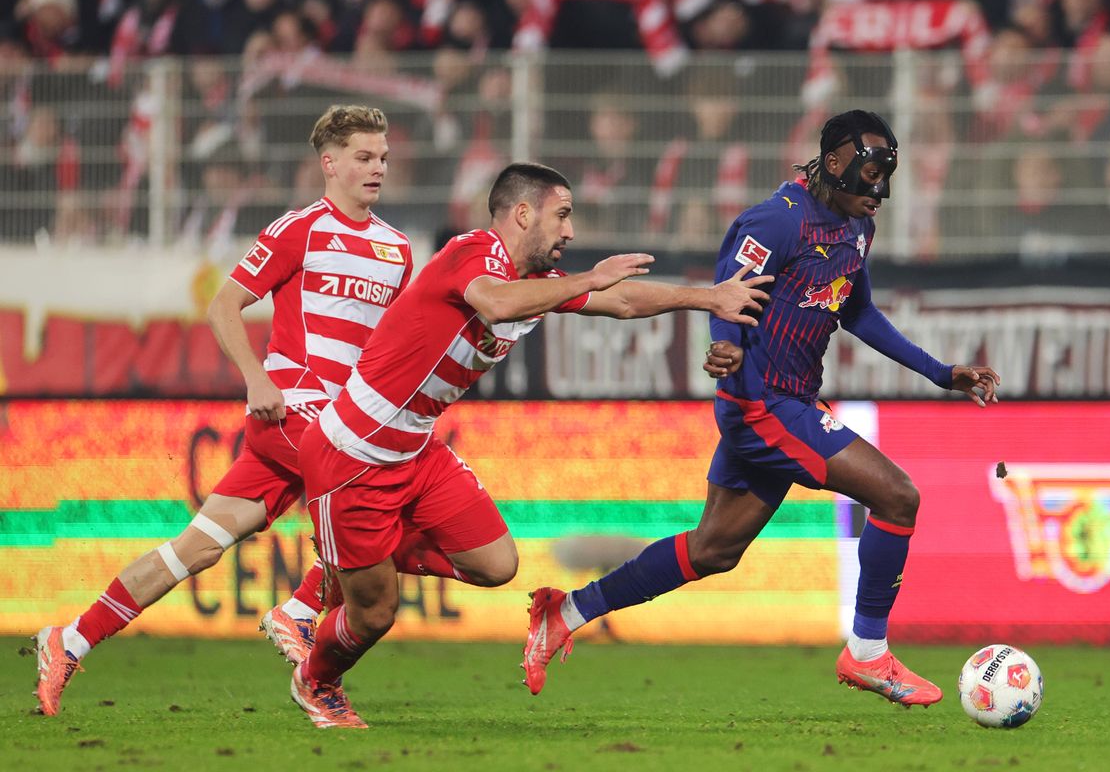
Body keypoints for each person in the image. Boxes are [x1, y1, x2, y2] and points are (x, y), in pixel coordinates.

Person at [521, 110, 1000, 707]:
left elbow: (856, 311)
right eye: (870, 172)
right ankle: (869, 654)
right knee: (898, 496)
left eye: (887, 175)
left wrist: (941, 373)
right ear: (834, 163)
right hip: (762, 405)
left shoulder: (855, 226)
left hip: (785, 403)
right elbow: (730, 293)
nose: (879, 189)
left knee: (712, 550)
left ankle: (565, 612)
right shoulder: (777, 221)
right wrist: (724, 343)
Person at [289, 162, 772, 729]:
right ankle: (317, 681)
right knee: (374, 615)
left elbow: (621, 303)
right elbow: (494, 303)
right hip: (354, 455)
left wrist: (708, 297)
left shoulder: (538, 285)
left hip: (416, 449)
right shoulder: (473, 252)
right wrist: (590, 278)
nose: (569, 231)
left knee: (496, 564)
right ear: (523, 214)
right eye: (561, 215)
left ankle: (344, 565)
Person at [33, 104, 443, 715]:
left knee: (196, 548)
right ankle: (302, 611)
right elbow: (225, 306)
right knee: (384, 491)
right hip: (294, 414)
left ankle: (71, 639)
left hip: (344, 424)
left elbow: (382, 351)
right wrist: (256, 379)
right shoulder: (298, 230)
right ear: (329, 163)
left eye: (382, 157)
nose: (377, 167)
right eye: (363, 156)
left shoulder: (396, 249)